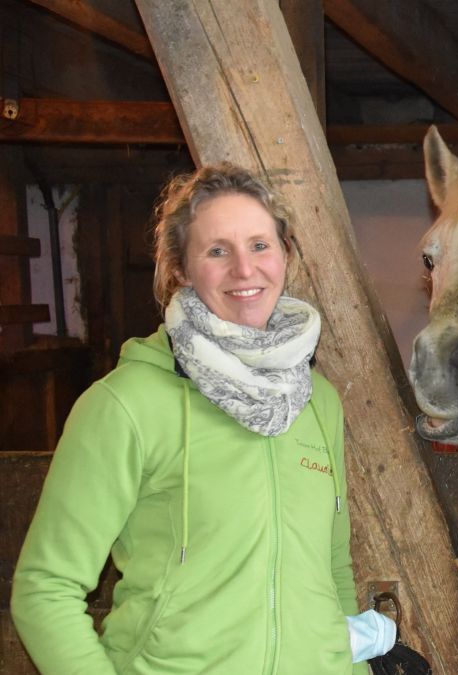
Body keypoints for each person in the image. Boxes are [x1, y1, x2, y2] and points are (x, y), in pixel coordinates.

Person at [11, 163, 395, 674]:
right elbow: (45, 589)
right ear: (181, 269)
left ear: (285, 255)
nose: (245, 269)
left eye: (260, 245)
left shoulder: (316, 400)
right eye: (218, 250)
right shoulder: (127, 404)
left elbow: (333, 570)